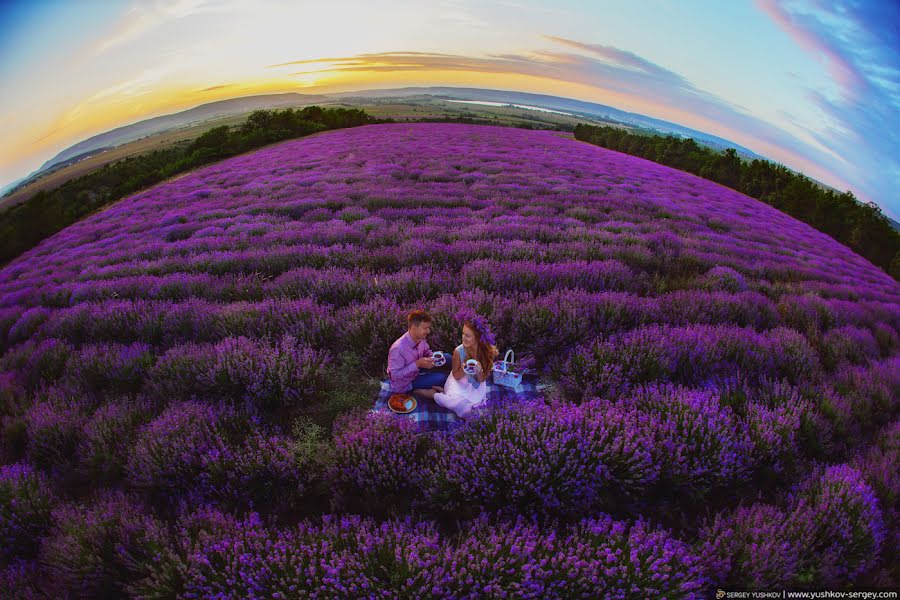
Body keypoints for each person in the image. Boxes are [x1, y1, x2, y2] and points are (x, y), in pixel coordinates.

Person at [434, 313, 499, 418]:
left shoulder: (487, 352)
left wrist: (478, 370)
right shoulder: (458, 352)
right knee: (460, 402)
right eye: (463, 334)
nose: (463, 338)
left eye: (468, 335)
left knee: (474, 404)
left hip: (475, 384)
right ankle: (435, 395)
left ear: (478, 338)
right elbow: (456, 376)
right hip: (459, 382)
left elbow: (482, 379)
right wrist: (464, 368)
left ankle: (444, 396)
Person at [387, 309, 446, 400]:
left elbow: (427, 351)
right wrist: (417, 364)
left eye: (428, 328)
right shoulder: (398, 349)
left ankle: (461, 375)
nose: (429, 331)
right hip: (405, 383)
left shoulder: (420, 338)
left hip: (418, 370)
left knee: (447, 357)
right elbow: (395, 376)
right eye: (425, 328)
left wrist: (432, 356)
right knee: (442, 377)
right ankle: (418, 391)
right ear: (414, 327)